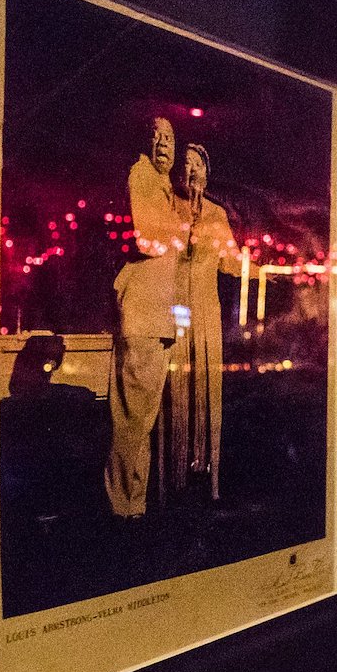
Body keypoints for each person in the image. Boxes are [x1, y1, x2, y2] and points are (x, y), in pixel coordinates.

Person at [104, 116, 188, 518]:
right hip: (143, 316)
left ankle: (132, 507)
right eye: (155, 136)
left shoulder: (164, 188)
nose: (162, 143)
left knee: (141, 418)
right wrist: (181, 228)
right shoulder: (141, 177)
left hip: (155, 318)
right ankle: (122, 508)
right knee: (134, 419)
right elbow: (147, 238)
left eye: (169, 137)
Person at [170, 142, 241, 499]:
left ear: (206, 171)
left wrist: (268, 271)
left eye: (198, 163)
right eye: (186, 163)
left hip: (206, 308)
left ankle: (206, 474)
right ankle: (175, 476)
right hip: (176, 309)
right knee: (177, 385)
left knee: (207, 386)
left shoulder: (216, 215)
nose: (192, 168)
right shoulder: (170, 208)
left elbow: (232, 262)